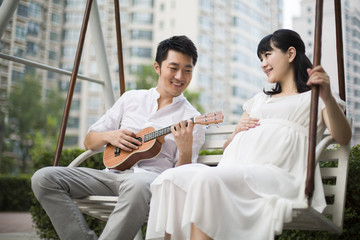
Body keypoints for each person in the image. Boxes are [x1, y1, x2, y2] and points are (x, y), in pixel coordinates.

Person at [145, 29, 352, 240]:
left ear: (290, 54)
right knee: (170, 178)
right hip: (235, 170)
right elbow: (227, 148)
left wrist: (326, 97)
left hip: (277, 174)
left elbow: (343, 136)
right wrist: (235, 132)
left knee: (205, 180)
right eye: (261, 58)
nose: (263, 63)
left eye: (268, 55)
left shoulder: (316, 97)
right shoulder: (259, 99)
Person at [31, 35, 206, 240]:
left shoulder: (192, 119)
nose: (180, 76)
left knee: (138, 182)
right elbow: (89, 141)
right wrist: (110, 136)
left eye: (187, 70)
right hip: (110, 176)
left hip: (151, 183)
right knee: (44, 178)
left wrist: (184, 151)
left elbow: (181, 181)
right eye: (173, 68)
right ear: (157, 67)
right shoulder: (131, 99)